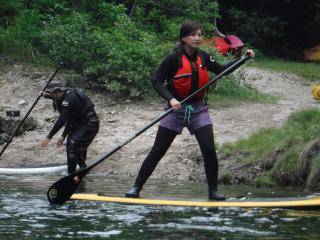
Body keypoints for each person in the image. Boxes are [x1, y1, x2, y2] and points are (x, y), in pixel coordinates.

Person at [126, 20, 254, 201]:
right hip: (175, 111)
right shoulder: (173, 58)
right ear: (184, 38)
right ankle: (136, 187)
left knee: (209, 150)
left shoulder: (204, 57)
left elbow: (222, 71)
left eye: (199, 35)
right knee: (158, 150)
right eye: (193, 35)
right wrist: (170, 99)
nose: (197, 38)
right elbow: (156, 81)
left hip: (198, 109)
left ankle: (213, 192)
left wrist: (243, 59)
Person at [40, 82, 99, 176]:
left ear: (57, 91)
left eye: (51, 94)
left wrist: (49, 137)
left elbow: (62, 120)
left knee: (73, 145)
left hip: (89, 124)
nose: (51, 96)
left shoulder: (69, 98)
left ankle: (70, 173)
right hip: (79, 124)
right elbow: (69, 118)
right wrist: (63, 135)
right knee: (75, 145)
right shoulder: (65, 95)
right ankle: (82, 168)